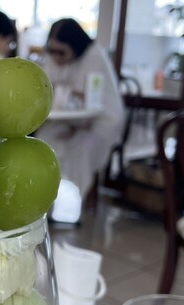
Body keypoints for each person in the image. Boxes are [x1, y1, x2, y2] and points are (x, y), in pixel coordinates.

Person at [35, 18, 124, 221]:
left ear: (74, 47)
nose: (56, 57)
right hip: (67, 121)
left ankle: (71, 205)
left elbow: (90, 99)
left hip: (101, 122)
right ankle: (43, 197)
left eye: (61, 52)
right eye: (52, 51)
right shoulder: (54, 57)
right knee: (44, 140)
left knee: (82, 148)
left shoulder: (94, 55)